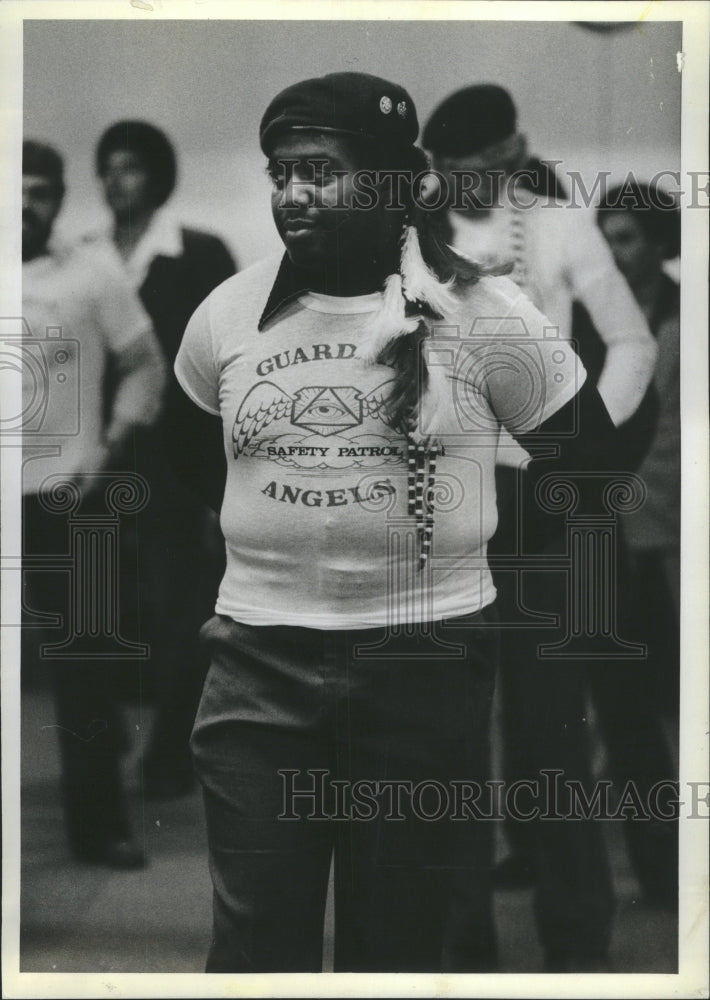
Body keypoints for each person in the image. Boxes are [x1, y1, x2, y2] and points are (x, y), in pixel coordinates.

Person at [170, 71, 623, 973]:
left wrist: (473, 543)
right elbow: (191, 463)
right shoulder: (226, 312)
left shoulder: (486, 315)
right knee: (256, 942)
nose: (292, 195)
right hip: (259, 671)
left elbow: (594, 467)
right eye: (279, 173)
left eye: (319, 172)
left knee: (399, 949)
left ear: (386, 180)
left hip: (424, 668)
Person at [423, 84, 659, 970]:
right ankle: (458, 947)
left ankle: (578, 947)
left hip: (538, 504)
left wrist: (585, 440)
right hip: (443, 504)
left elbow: (633, 342)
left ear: (518, 150)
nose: (473, 189)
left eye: (487, 172)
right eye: (454, 175)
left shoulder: (556, 226)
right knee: (446, 732)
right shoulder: (414, 233)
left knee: (550, 731)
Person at [21, 140, 166, 867]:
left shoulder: (92, 270)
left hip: (70, 500)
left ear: (58, 198)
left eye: (40, 191)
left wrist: (108, 450)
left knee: (86, 670)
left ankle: (101, 826)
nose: (23, 203)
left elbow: (146, 364)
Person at [84, 121, 238, 799]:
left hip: (175, 458)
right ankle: (103, 733)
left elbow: (233, 364)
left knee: (183, 606)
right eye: (108, 167)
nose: (117, 181)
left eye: (132, 167)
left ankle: (170, 753)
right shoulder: (81, 255)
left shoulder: (199, 253)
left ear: (157, 175)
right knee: (93, 604)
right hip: (97, 453)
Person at [588, 181, 681, 908]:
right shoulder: (595, 322)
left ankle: (672, 865)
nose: (615, 255)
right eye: (607, 239)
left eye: (626, 239)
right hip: (607, 537)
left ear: (657, 243)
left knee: (661, 710)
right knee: (616, 708)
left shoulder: (689, 316)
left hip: (667, 537)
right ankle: (654, 867)